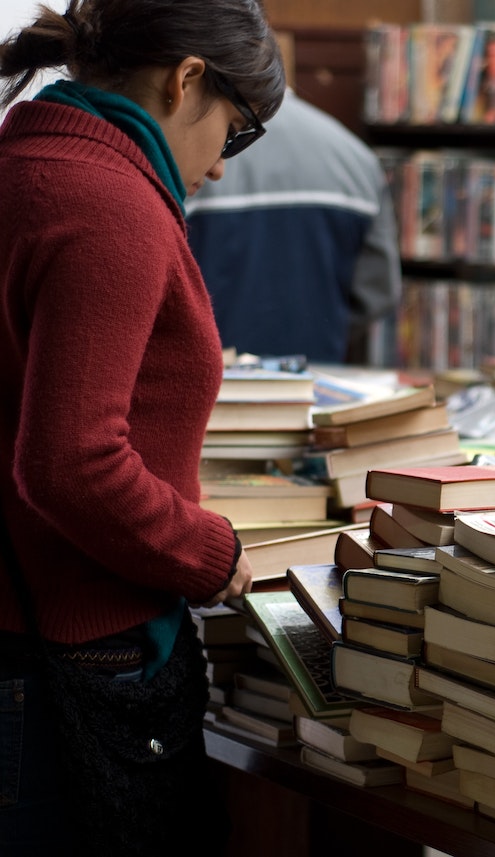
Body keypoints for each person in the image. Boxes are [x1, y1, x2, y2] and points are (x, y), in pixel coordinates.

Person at [0, 0, 284, 853]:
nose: (224, 168)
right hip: (68, 660)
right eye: (234, 133)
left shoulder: (26, 165)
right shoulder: (110, 204)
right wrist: (209, 552)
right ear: (186, 79)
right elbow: (71, 461)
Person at [185, 86, 402, 365]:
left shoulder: (194, 158)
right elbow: (377, 292)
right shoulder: (356, 159)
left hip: (214, 381)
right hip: (315, 380)